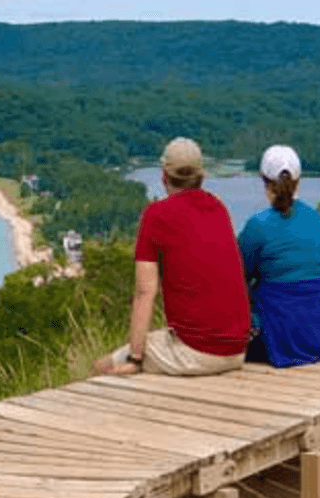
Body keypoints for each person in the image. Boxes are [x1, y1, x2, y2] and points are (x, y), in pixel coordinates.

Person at [93, 137, 250, 376]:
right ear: (201, 175)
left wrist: (136, 358)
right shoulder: (218, 207)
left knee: (102, 366)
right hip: (237, 349)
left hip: (194, 352)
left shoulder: (156, 215)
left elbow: (145, 292)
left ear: (163, 176)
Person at [238, 145, 320, 367]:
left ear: (264, 181)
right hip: (319, 333)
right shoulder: (318, 223)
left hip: (276, 336)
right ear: (299, 181)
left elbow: (237, 274)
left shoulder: (258, 225)